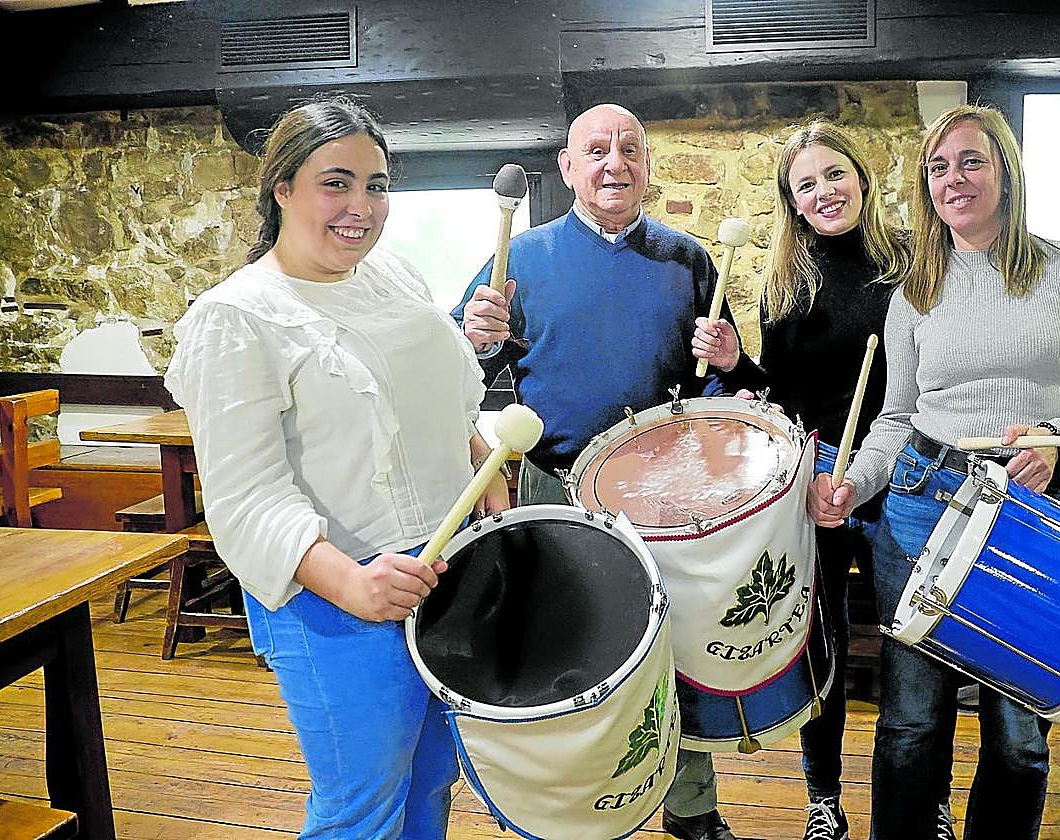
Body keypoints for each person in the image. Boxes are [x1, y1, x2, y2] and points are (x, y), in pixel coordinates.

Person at [164, 97, 510, 839]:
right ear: (282, 189)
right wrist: (353, 584)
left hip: (445, 566)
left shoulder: (393, 276)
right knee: (362, 805)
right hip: (335, 591)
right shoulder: (236, 319)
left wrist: (477, 453)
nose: (362, 206)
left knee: (431, 779)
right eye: (336, 183)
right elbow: (245, 499)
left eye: (376, 185)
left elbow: (437, 395)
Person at [808, 104, 1060, 840]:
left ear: (1007, 172)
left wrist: (1058, 436)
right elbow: (896, 419)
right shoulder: (915, 292)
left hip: (1042, 510)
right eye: (938, 168)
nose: (953, 180)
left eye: (971, 161)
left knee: (1019, 736)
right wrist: (854, 484)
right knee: (910, 722)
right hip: (924, 502)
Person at [453, 103, 738, 840]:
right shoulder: (522, 258)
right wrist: (474, 336)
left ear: (646, 165)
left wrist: (731, 364)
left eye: (630, 149)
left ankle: (691, 804)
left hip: (665, 489)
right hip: (554, 486)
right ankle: (581, 806)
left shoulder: (688, 260)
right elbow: (458, 363)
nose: (615, 163)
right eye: (597, 150)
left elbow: (717, 379)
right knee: (572, 647)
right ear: (569, 168)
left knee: (675, 649)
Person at [693, 119, 912, 840]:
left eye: (835, 174)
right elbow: (782, 397)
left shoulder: (912, 264)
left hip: (905, 476)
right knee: (824, 644)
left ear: (862, 177)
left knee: (914, 648)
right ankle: (824, 799)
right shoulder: (787, 281)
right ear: (792, 201)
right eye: (806, 184)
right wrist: (736, 365)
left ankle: (923, 801)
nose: (824, 192)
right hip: (819, 480)